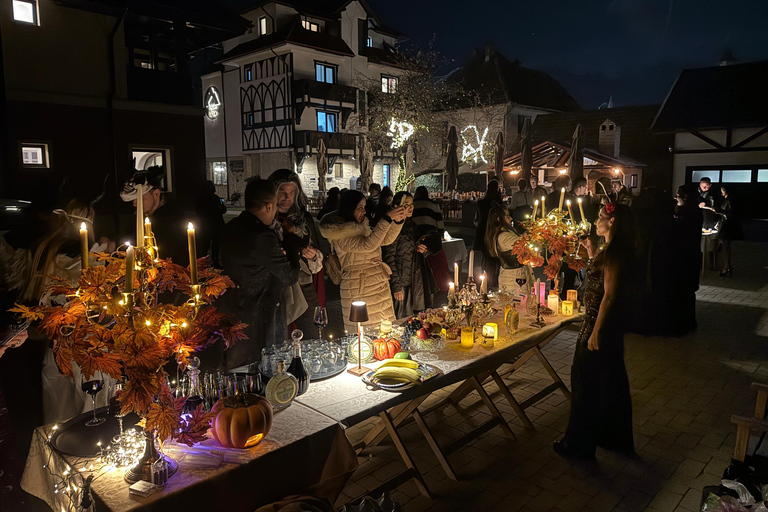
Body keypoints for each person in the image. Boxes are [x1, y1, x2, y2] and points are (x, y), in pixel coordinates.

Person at [554, 202, 635, 459]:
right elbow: (601, 278)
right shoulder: (610, 250)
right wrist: (591, 253)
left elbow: (609, 295)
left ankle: (578, 444)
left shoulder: (615, 253)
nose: (596, 221)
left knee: (583, 381)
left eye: (600, 217)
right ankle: (611, 437)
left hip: (598, 324)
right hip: (603, 324)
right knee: (608, 381)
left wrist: (596, 330)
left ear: (612, 222)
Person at [210, 179, 299, 371]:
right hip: (259, 314)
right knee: (263, 370)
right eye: (274, 206)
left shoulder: (231, 227)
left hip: (232, 309)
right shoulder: (262, 236)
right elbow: (289, 275)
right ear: (269, 206)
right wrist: (291, 239)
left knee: (235, 368)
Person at [319, 190, 405, 331]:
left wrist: (398, 220)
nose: (364, 212)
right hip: (359, 288)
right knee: (364, 336)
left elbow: (385, 239)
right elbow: (369, 245)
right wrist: (387, 218)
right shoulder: (340, 234)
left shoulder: (361, 227)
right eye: (360, 207)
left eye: (364, 207)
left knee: (385, 332)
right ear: (349, 208)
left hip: (377, 285)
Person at [268, 169, 324, 334]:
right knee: (279, 337)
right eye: (282, 192)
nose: (287, 198)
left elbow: (317, 253)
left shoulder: (303, 219)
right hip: (276, 288)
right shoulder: (265, 218)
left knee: (314, 333)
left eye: (292, 193)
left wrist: (313, 255)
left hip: (304, 284)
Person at [120, 166, 198, 267]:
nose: (135, 203)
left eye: (141, 198)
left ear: (156, 194)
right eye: (133, 199)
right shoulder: (134, 220)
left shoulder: (176, 221)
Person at [383, 192, 438, 318]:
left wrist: (422, 250)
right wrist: (396, 286)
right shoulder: (394, 228)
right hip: (401, 283)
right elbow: (389, 256)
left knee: (413, 318)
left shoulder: (412, 225)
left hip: (413, 279)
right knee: (400, 319)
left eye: (411, 204)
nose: (410, 208)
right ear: (396, 206)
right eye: (406, 204)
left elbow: (411, 250)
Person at [673, 185, 703, 335]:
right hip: (694, 255)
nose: (675, 197)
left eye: (678, 195)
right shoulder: (697, 211)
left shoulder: (685, 212)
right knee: (689, 291)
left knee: (682, 290)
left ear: (684, 197)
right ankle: (689, 321)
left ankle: (682, 322)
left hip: (684, 256)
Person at [485, 206, 533, 295]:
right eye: (507, 216)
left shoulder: (508, 232)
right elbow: (522, 243)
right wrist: (531, 233)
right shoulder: (503, 236)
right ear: (499, 219)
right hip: (513, 280)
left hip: (516, 276)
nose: (511, 219)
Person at [473, 180, 503, 287]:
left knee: (485, 257)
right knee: (495, 257)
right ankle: (494, 279)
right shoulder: (498, 203)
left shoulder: (481, 203)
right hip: (494, 230)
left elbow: (477, 218)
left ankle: (484, 278)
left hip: (482, 230)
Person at [195, 180, 227, 267]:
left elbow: (222, 210)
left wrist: (221, 207)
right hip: (207, 225)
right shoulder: (203, 199)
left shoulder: (215, 197)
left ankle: (215, 260)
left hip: (217, 224)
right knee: (205, 244)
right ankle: (203, 261)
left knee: (216, 244)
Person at [715, 185, 743, 277]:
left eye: (723, 190)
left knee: (725, 247)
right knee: (725, 247)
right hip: (727, 224)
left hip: (728, 225)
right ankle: (727, 266)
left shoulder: (730, 200)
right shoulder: (729, 200)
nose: (722, 193)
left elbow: (730, 213)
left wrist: (718, 211)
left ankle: (726, 267)